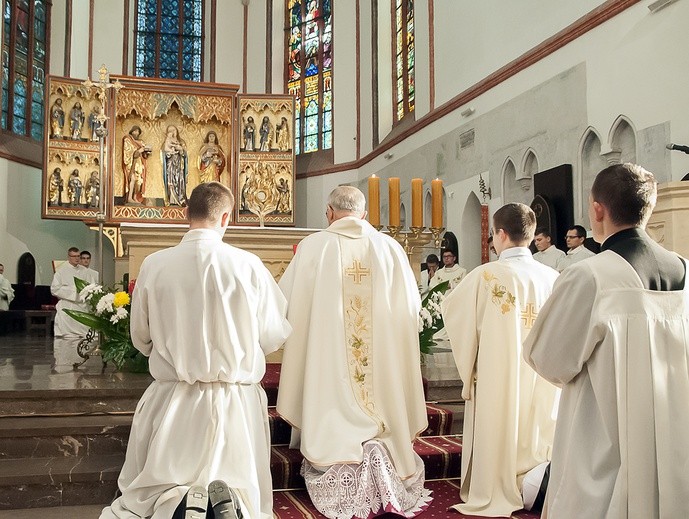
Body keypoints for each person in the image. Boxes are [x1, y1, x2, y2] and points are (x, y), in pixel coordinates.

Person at [101, 182, 291, 519]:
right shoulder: (249, 266)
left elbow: (141, 338)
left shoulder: (155, 265)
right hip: (235, 404)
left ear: (186, 214)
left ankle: (178, 503)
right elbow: (274, 336)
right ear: (226, 216)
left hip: (174, 399)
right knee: (238, 489)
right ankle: (227, 506)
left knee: (161, 487)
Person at [524, 163, 689, 518]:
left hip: (604, 448)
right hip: (677, 449)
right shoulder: (686, 271)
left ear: (597, 210)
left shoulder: (591, 276)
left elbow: (547, 358)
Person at [277, 186, 432, 519]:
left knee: (332, 382)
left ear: (329, 213)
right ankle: (381, 444)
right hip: (381, 368)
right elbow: (411, 309)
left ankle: (340, 444)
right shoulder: (390, 248)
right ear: (364, 214)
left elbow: (284, 302)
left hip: (330, 361)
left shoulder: (313, 246)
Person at [441, 203, 560, 517]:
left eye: (493, 234)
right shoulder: (552, 276)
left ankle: (503, 483)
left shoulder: (486, 275)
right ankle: (534, 479)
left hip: (498, 374)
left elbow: (453, 314)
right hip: (542, 375)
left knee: (500, 420)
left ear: (501, 234)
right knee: (536, 427)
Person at [51, 247, 90, 336]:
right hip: (67, 302)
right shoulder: (61, 271)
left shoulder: (85, 271)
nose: (77, 258)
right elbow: (54, 289)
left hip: (81, 303)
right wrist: (73, 291)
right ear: (69, 257)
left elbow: (90, 286)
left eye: (78, 256)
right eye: (74, 256)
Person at [122, 125, 151, 205]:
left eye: (138, 131)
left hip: (139, 163)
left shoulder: (141, 142)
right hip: (132, 163)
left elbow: (144, 155)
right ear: (131, 131)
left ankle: (135, 197)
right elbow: (128, 152)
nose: (136, 133)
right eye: (135, 131)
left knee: (139, 181)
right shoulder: (128, 139)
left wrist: (146, 151)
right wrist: (138, 151)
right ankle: (129, 197)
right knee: (132, 179)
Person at [162, 124, 188, 206]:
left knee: (180, 180)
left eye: (174, 130)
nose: (173, 132)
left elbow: (185, 155)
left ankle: (181, 199)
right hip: (170, 164)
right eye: (170, 131)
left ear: (177, 131)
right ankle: (171, 199)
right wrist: (169, 153)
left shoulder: (181, 142)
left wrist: (181, 150)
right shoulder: (167, 141)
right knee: (171, 180)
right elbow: (164, 153)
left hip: (179, 165)